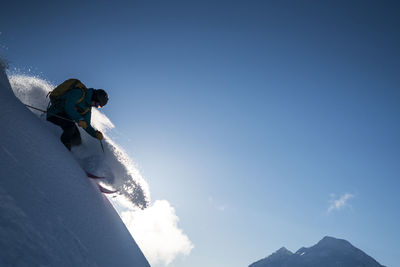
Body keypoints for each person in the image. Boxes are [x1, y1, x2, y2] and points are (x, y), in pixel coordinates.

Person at [46, 82, 108, 150]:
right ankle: (61, 151)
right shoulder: (79, 93)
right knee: (70, 127)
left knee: (77, 139)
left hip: (66, 119)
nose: (96, 106)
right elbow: (69, 107)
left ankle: (72, 154)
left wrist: (95, 134)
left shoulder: (87, 108)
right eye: (97, 104)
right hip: (55, 113)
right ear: (95, 97)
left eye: (99, 107)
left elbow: (86, 125)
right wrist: (79, 119)